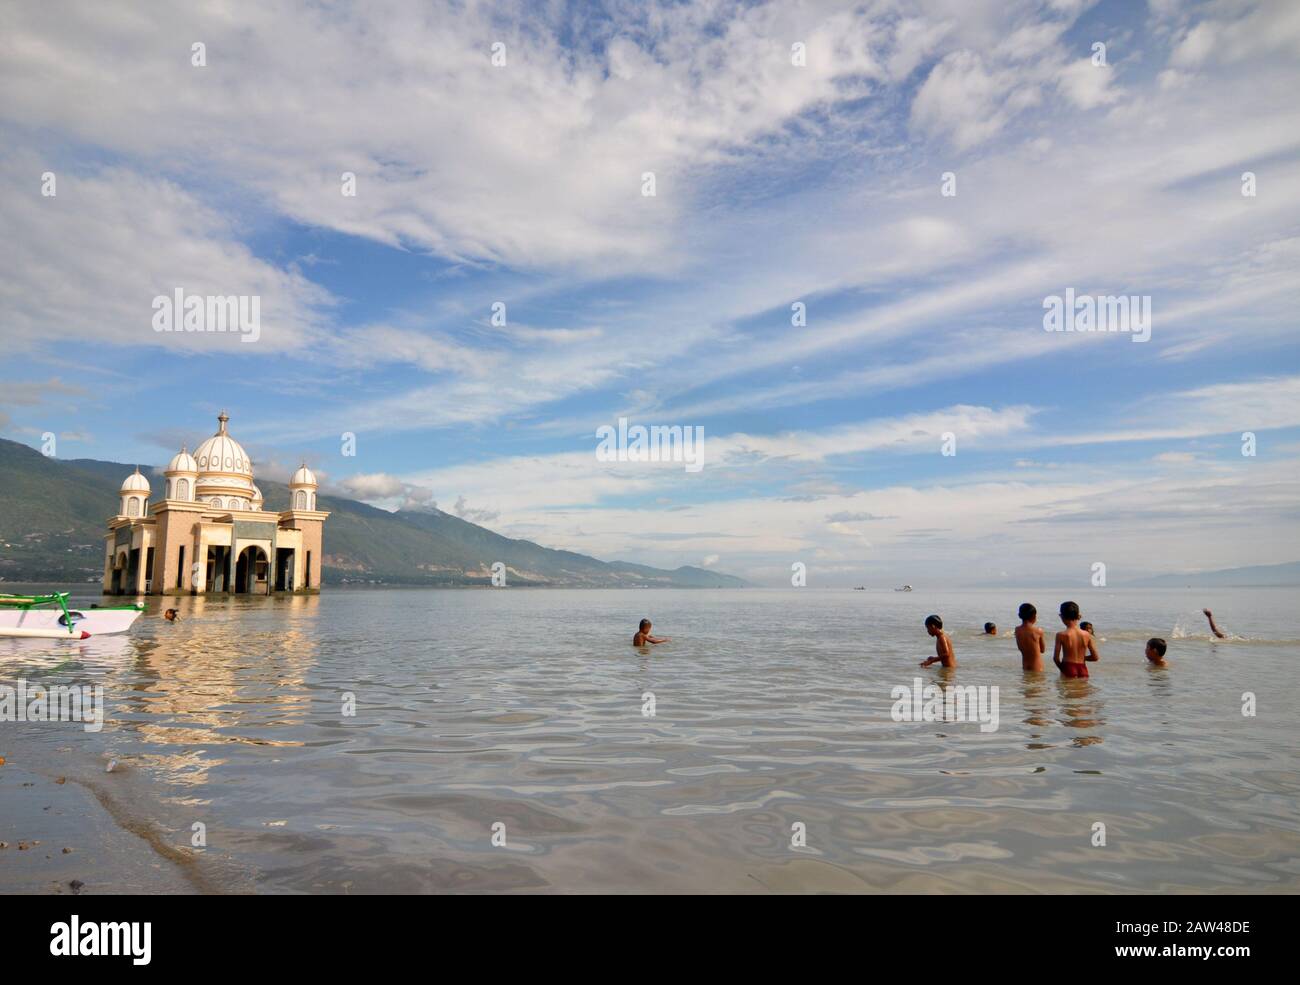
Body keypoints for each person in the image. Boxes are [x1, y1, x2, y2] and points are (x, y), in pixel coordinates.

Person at [1053, 600, 1096, 678]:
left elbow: (1056, 658)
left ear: (1062, 616)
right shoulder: (1087, 635)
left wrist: (1063, 669)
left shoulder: (1061, 635)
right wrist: (1083, 658)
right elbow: (1095, 657)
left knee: (1067, 689)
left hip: (1068, 667)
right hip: (1083, 669)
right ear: (1078, 616)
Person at [1015, 603, 1045, 671]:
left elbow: (1020, 647)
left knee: (1026, 681)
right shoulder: (1038, 631)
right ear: (1034, 616)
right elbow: (1042, 650)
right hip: (1037, 666)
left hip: (1025, 666)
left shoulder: (1017, 630)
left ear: (1020, 615)